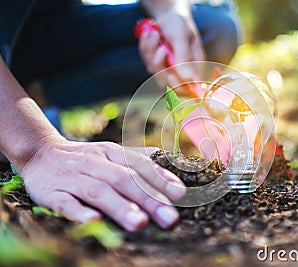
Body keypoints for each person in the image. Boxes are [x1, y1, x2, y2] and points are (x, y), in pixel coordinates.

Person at [0, 0, 241, 231]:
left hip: (47, 34)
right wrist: (36, 149)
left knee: (215, 29)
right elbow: (36, 150)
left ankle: (31, 95)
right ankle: (16, 113)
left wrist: (170, 12)